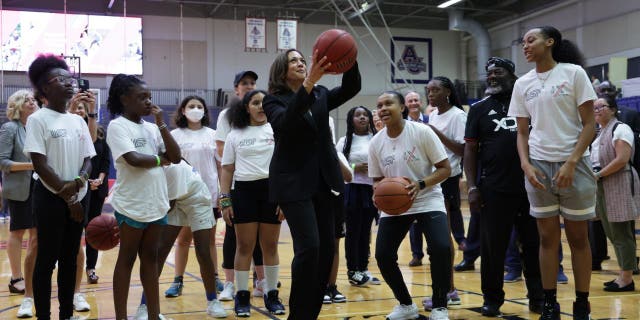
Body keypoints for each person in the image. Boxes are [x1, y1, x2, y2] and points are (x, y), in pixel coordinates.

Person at [263, 48, 361, 319]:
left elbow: (352, 86)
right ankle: (298, 315)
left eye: (303, 60)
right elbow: (285, 124)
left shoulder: (320, 95)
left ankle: (310, 314)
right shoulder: (272, 100)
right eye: (294, 60)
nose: (301, 63)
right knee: (310, 248)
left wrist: (348, 57)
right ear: (282, 70)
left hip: (325, 181)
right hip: (292, 184)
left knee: (326, 251)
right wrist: (308, 84)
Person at [509, 26, 597, 320]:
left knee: (578, 238)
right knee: (546, 239)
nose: (525, 45)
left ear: (550, 42)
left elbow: (590, 125)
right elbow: (521, 132)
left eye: (531, 40)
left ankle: (582, 302)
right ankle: (549, 302)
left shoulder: (573, 74)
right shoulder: (522, 84)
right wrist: (525, 163)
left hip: (575, 164)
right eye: (523, 42)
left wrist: (572, 161)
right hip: (538, 166)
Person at [464, 56, 544, 316]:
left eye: (498, 72)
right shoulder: (478, 109)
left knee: (533, 245)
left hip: (532, 187)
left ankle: (538, 297)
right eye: (489, 73)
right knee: (492, 249)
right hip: (494, 189)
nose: (492, 77)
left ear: (512, 76)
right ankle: (492, 299)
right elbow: (470, 150)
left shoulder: (531, 104)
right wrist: (473, 187)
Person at [23, 54, 96, 320]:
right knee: (46, 260)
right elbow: (40, 164)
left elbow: (89, 158)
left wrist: (78, 184)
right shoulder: (38, 119)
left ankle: (66, 314)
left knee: (69, 260)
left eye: (70, 79)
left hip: (78, 195)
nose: (69, 83)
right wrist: (69, 198)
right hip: (50, 197)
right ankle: (44, 314)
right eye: (60, 79)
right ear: (44, 89)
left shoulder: (77, 120)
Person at [369, 91, 452, 320]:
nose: (383, 108)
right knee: (383, 255)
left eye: (388, 103)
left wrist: (421, 184)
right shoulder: (376, 142)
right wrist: (378, 190)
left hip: (427, 197)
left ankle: (439, 306)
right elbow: (376, 179)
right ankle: (406, 305)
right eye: (379, 105)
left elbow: (445, 168)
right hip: (395, 203)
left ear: (402, 108)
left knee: (441, 248)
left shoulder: (422, 132)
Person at [106, 74, 181, 320]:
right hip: (131, 204)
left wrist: (161, 123)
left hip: (156, 202)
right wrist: (161, 160)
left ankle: (153, 314)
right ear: (124, 99)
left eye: (150, 97)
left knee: (151, 259)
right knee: (126, 258)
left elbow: (176, 156)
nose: (149, 102)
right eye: (142, 97)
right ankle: (121, 317)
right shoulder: (117, 126)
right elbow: (134, 159)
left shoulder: (151, 128)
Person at [219, 90, 286, 316]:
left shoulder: (277, 129)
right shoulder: (235, 134)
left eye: (264, 103)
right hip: (244, 192)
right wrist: (225, 199)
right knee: (244, 246)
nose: (260, 107)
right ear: (246, 107)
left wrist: (284, 197)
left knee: (270, 246)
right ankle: (242, 296)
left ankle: (271, 294)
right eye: (255, 103)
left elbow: (286, 167)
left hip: (272, 191)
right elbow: (227, 169)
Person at [135, 160, 227, 319]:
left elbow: (164, 208)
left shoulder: (171, 170)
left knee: (203, 251)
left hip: (197, 198)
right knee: (160, 251)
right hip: (175, 200)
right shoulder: (150, 169)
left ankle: (213, 301)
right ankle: (145, 306)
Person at [214, 71, 268, 300]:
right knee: (233, 237)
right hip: (237, 183)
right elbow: (221, 150)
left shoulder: (265, 115)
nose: (249, 86)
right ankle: (229, 283)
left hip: (262, 185)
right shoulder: (227, 116)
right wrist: (224, 193)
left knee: (261, 238)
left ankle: (261, 281)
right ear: (236, 88)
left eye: (253, 83)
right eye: (244, 83)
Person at [164, 95, 222, 298]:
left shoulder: (213, 135)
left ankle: (214, 277)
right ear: (182, 110)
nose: (196, 109)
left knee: (209, 241)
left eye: (199, 106)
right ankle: (177, 280)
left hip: (209, 195)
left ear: (205, 111)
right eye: (191, 106)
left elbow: (220, 166)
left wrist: (223, 194)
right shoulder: (175, 135)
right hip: (181, 194)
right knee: (182, 240)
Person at [590, 95, 639, 292]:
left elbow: (621, 159)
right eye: (594, 108)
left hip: (618, 181)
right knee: (611, 232)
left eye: (601, 107)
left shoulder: (621, 128)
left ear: (613, 109)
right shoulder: (599, 132)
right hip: (603, 182)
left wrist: (599, 174)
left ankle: (626, 279)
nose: (597, 110)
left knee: (621, 233)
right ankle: (623, 274)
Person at [0, 89, 39, 318]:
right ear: (18, 106)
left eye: (34, 99)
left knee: (37, 235)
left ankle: (31, 277)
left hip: (39, 187)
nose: (33, 102)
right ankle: (16, 278)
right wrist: (31, 166)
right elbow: (3, 162)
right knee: (18, 232)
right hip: (20, 188)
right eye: (28, 100)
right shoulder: (10, 128)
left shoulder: (36, 126)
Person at [67, 91, 102, 313]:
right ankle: (35, 296)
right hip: (53, 187)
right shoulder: (55, 120)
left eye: (82, 108)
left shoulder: (88, 126)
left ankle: (76, 293)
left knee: (76, 241)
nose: (78, 110)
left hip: (80, 188)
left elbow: (92, 141)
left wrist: (91, 111)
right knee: (45, 245)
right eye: (75, 107)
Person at [336, 106, 378, 288]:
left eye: (365, 115)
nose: (362, 118)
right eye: (357, 115)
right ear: (351, 120)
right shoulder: (344, 141)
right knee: (353, 232)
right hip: (351, 190)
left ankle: (363, 268)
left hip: (372, 189)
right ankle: (353, 270)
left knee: (366, 232)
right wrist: (355, 168)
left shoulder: (377, 139)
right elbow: (336, 166)